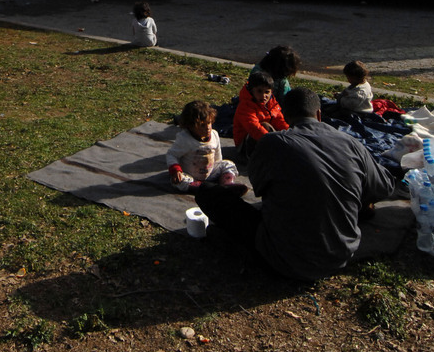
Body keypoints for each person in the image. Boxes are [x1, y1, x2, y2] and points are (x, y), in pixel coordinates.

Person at [194, 88, 400, 282]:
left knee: (207, 192)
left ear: (286, 116)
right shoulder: (351, 144)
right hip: (339, 256)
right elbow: (385, 187)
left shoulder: (272, 143)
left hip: (282, 258)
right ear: (319, 114)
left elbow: (259, 188)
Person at [167, 100, 244, 193]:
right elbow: (172, 155)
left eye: (209, 123)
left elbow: (218, 158)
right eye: (202, 125)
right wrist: (176, 170)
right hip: (191, 175)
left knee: (228, 164)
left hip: (210, 172)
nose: (207, 127)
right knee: (179, 181)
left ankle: (227, 184)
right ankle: (203, 189)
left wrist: (219, 170)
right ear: (190, 126)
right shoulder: (185, 139)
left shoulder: (214, 135)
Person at [232, 70, 287, 162]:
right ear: (251, 90)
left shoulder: (272, 104)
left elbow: (280, 121)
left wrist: (291, 134)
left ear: (271, 92)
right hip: (245, 145)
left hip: (265, 139)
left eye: (267, 92)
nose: (263, 95)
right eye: (259, 91)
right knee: (265, 125)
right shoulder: (245, 106)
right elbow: (254, 127)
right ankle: (258, 159)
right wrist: (273, 142)